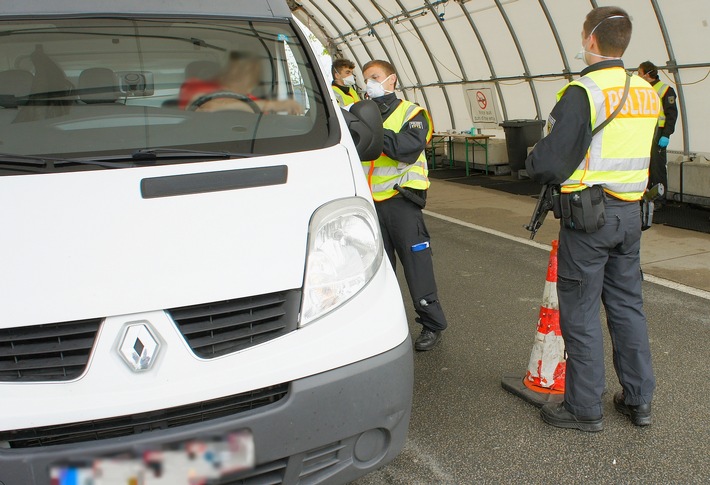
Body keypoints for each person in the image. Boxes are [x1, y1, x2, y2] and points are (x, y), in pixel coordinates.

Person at [525, 6, 659, 431]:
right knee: (626, 308)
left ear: (591, 40)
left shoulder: (584, 92)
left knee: (580, 312)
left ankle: (584, 408)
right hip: (631, 215)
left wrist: (533, 159)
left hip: (589, 219)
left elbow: (548, 162)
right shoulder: (647, 91)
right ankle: (638, 401)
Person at [361, 59, 447, 351]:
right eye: (366, 79)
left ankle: (432, 323)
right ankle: (380, 325)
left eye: (375, 77)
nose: (369, 83)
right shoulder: (361, 116)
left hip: (401, 201)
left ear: (392, 80)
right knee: (376, 269)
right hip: (370, 203)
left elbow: (404, 150)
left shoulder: (413, 113)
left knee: (416, 264)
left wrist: (370, 127)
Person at [178, 51, 302, 114]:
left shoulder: (254, 101)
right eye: (237, 69)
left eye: (249, 72)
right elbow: (208, 107)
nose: (240, 75)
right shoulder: (194, 85)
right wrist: (272, 105)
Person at [638, 60, 678, 206]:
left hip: (658, 133)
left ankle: (660, 200)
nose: (638, 76)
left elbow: (671, 115)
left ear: (648, 74)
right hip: (645, 133)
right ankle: (645, 196)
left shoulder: (666, 90)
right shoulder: (643, 89)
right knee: (644, 166)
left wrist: (666, 135)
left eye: (640, 73)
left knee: (657, 168)